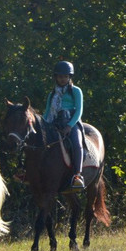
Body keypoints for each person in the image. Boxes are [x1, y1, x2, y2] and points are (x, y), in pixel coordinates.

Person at [43, 60, 86, 189]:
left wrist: (70, 126)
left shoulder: (76, 91)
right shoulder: (52, 94)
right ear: (56, 77)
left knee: (77, 144)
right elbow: (47, 113)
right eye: (60, 76)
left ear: (69, 77)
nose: (62, 79)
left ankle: (78, 175)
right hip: (54, 123)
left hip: (71, 123)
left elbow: (79, 110)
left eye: (65, 77)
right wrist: (41, 125)